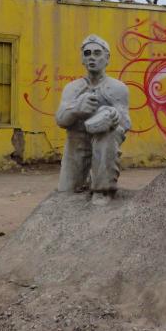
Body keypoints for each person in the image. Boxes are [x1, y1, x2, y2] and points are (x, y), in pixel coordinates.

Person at [56, 34, 131, 206]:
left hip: (103, 144)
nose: (92, 57)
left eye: (97, 53)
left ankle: (102, 190)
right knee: (66, 192)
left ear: (107, 58)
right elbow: (60, 120)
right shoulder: (73, 88)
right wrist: (76, 109)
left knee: (109, 134)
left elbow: (126, 123)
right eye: (87, 53)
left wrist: (113, 117)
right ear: (82, 59)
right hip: (77, 145)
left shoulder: (117, 88)